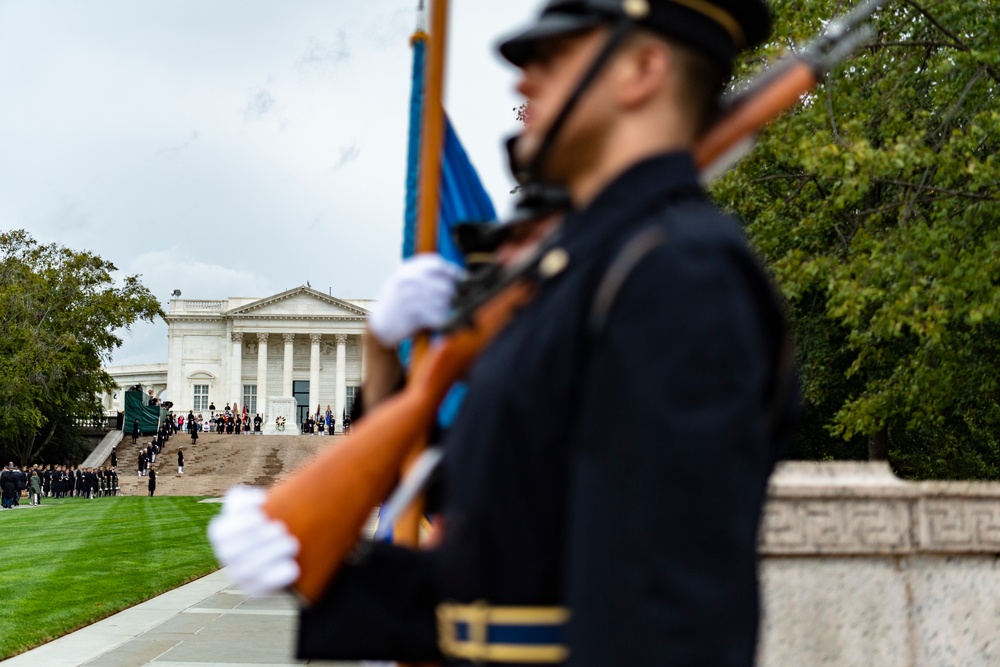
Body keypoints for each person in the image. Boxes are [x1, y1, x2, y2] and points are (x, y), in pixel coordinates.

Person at [211, 1, 798, 664]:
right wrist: (327, 570)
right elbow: (496, 578)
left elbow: (660, 625)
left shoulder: (677, 277)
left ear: (641, 69)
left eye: (553, 56)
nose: (521, 80)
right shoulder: (588, 277)